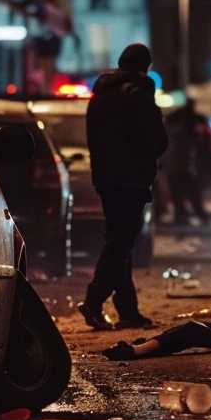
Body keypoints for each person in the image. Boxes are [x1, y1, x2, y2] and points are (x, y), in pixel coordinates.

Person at [79, 43, 168, 331]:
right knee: (120, 243)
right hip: (131, 178)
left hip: (105, 177)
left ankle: (128, 310)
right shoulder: (138, 93)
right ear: (145, 66)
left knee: (120, 241)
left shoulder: (100, 94)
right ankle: (93, 301)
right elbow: (156, 139)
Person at [164, 103, 210, 225]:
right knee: (189, 193)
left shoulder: (172, 131)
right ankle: (189, 217)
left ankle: (183, 217)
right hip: (181, 167)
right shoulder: (183, 132)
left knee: (180, 194)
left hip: (176, 167)